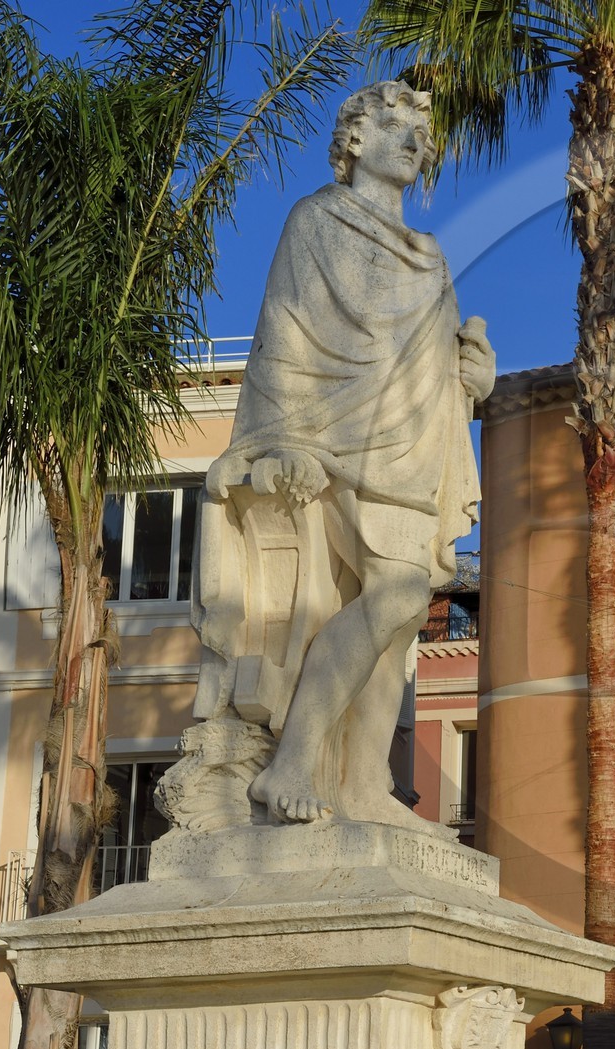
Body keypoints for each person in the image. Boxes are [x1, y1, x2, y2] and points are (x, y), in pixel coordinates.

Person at [198, 81, 494, 825]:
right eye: (396, 126)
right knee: (393, 599)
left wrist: (472, 379)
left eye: (421, 136)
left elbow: (437, 365)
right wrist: (284, 438)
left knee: (398, 629)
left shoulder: (429, 257)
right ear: (354, 140)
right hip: (336, 442)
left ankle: (363, 784)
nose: (413, 143)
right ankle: (292, 763)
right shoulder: (315, 223)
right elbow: (285, 343)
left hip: (414, 449)